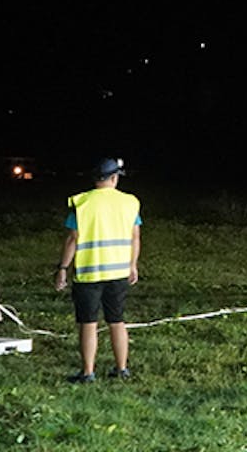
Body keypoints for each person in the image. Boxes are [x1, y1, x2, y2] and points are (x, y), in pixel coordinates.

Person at [54, 158, 142, 383]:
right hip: (119, 271)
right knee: (117, 321)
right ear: (114, 178)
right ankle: (122, 369)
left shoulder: (82, 203)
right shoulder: (130, 202)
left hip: (89, 273)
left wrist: (62, 268)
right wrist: (132, 265)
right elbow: (135, 237)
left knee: (88, 323)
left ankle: (88, 372)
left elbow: (72, 239)